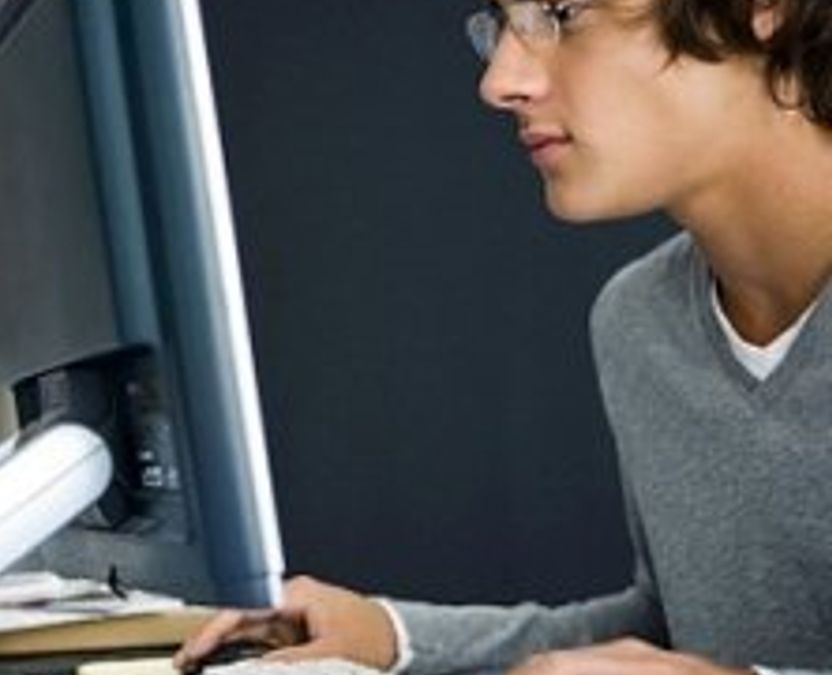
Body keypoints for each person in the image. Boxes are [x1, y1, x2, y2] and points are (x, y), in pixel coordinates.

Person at [176, 0, 832, 673]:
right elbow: (677, 637)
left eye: (562, 13)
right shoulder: (644, 321)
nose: (499, 82)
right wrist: (394, 637)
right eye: (502, 23)